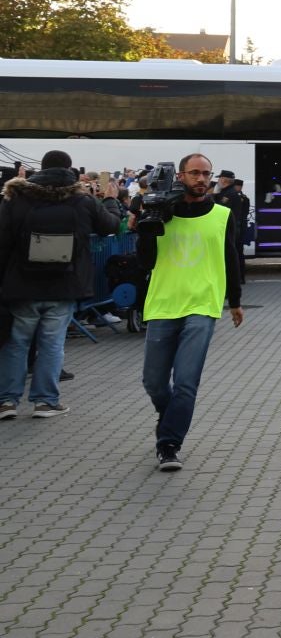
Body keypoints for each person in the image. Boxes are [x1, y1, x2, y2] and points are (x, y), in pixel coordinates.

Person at [139, 153, 246, 470]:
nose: (202, 179)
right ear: (181, 176)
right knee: (154, 383)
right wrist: (149, 222)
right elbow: (145, 261)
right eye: (195, 173)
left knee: (186, 381)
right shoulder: (161, 213)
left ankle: (169, 444)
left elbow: (231, 259)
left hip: (203, 304)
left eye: (206, 174)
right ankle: (167, 414)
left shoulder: (223, 215)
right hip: (163, 303)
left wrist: (235, 301)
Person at [0, 149, 118, 419]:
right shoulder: (82, 200)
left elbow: (2, 241)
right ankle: (45, 401)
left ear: (40, 168)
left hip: (22, 284)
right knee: (52, 343)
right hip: (65, 283)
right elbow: (109, 225)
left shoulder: (15, 198)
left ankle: (7, 401)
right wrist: (110, 200)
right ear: (70, 169)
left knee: (17, 343)